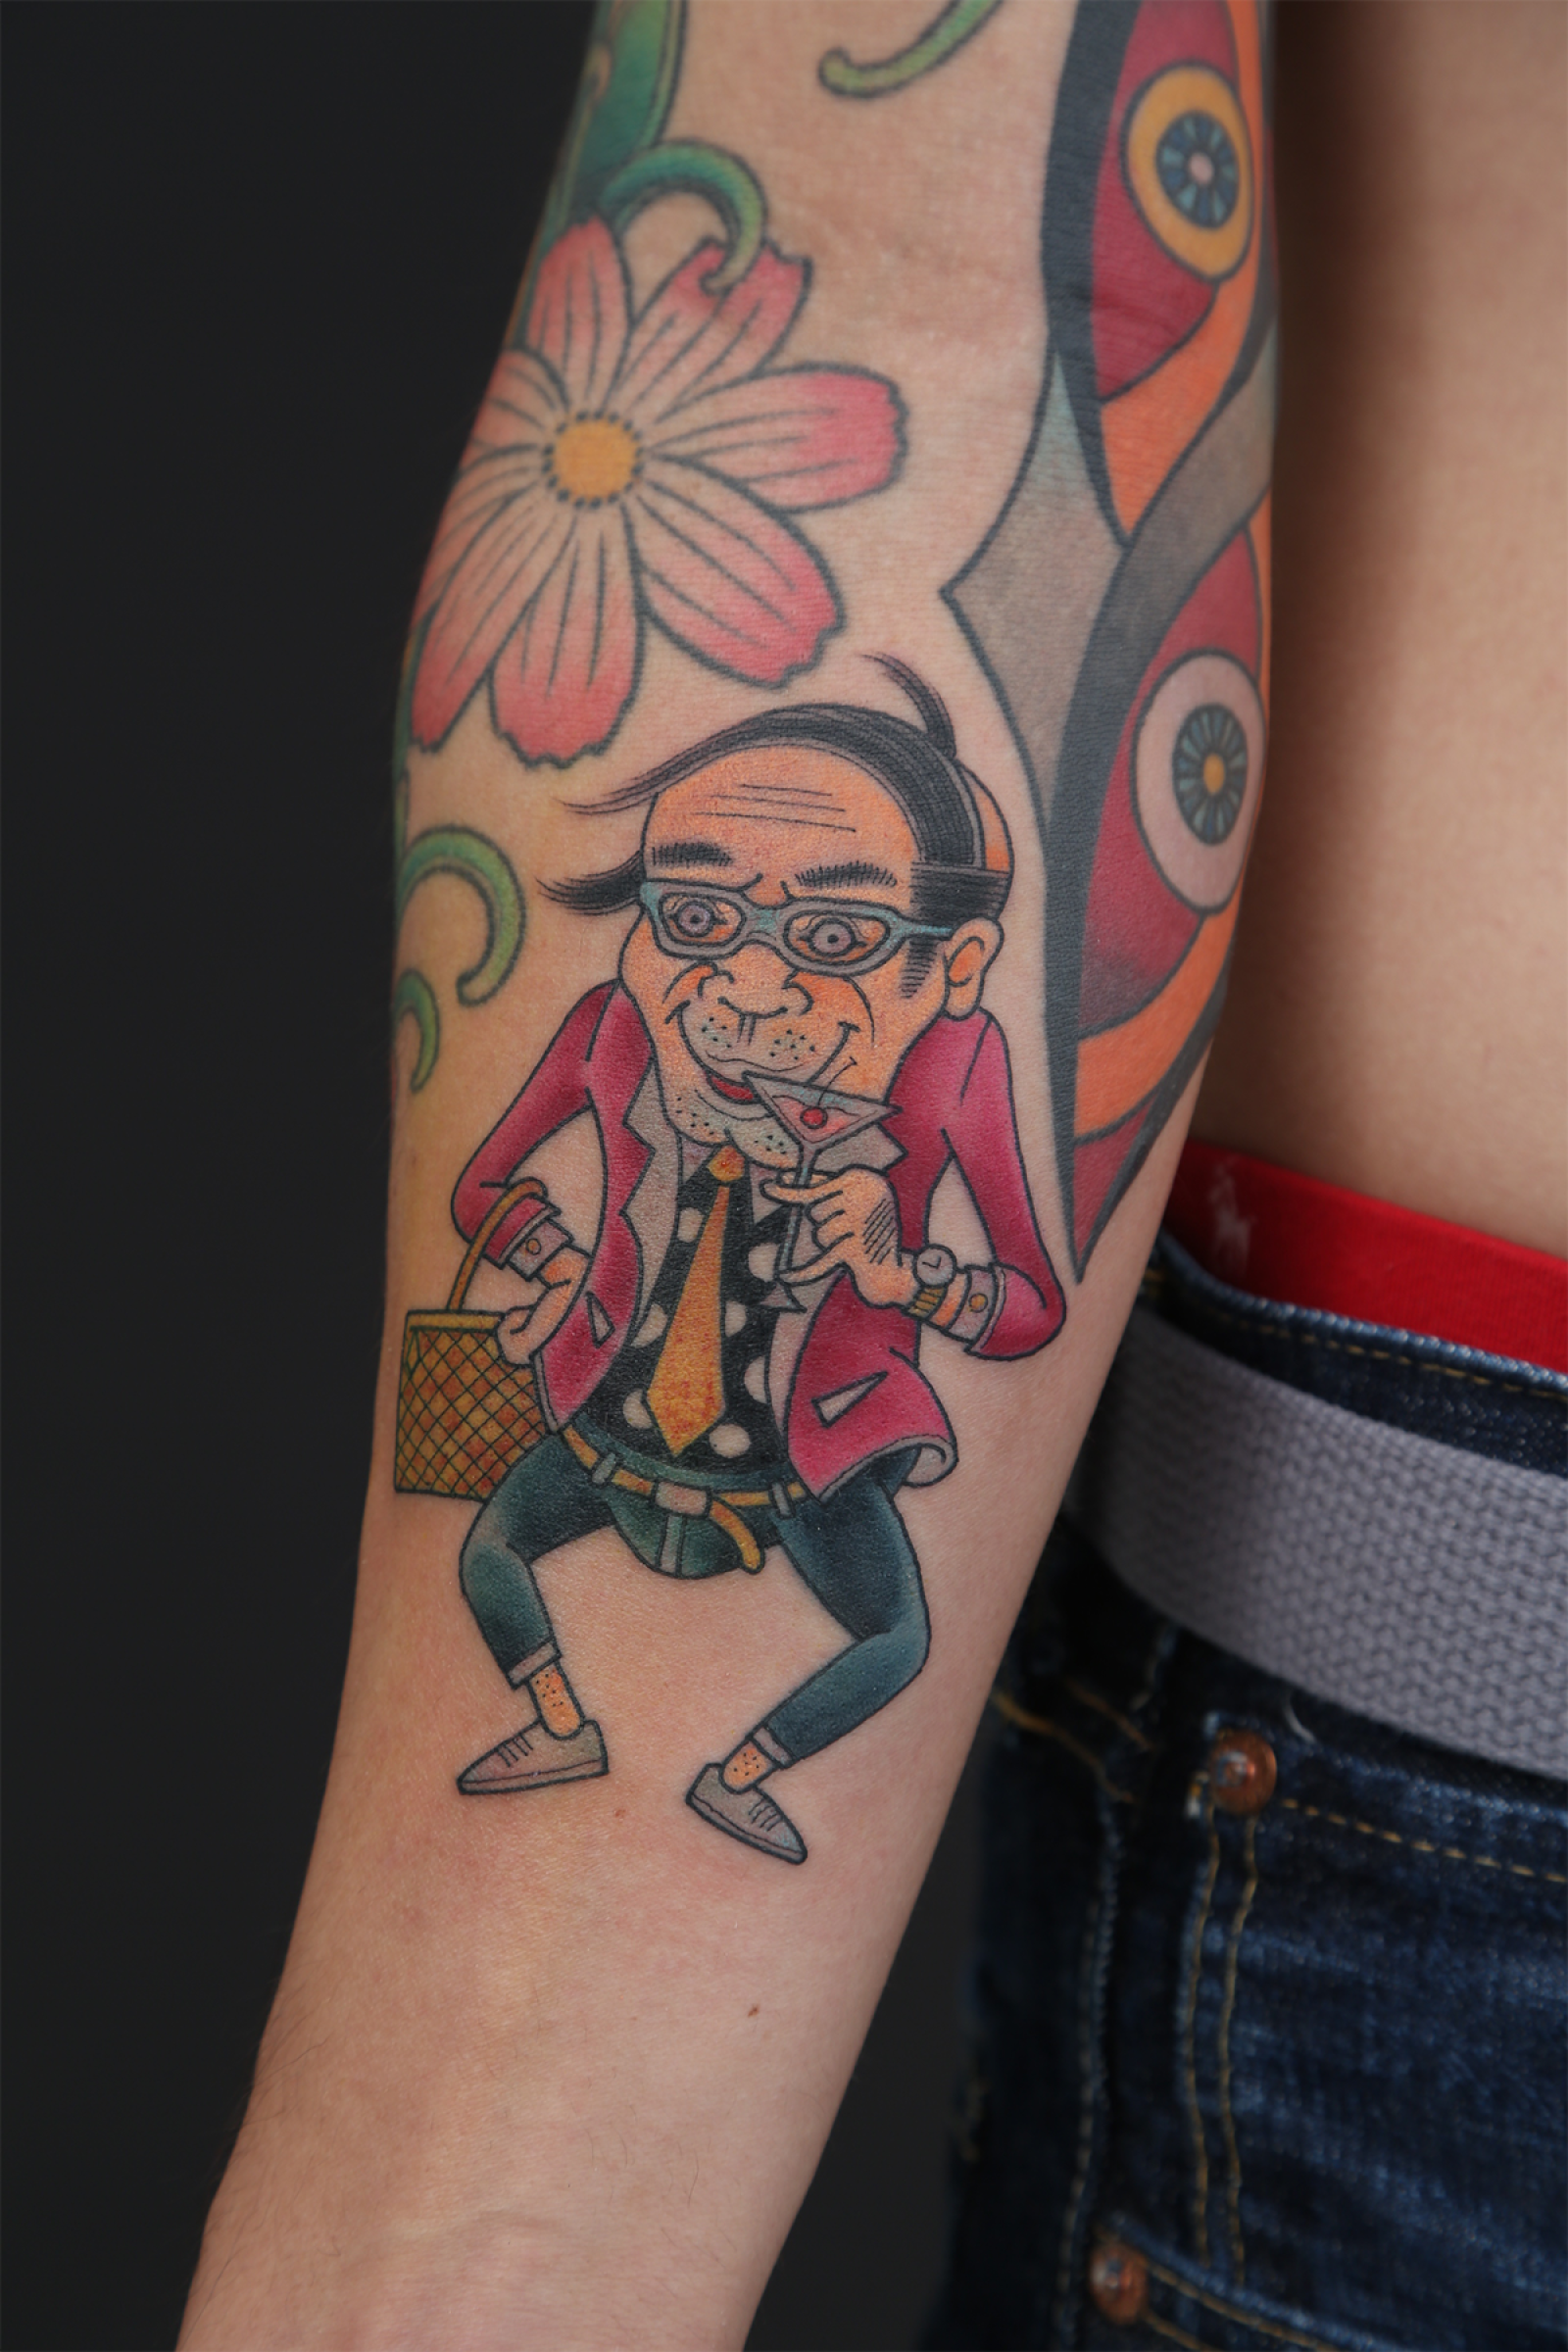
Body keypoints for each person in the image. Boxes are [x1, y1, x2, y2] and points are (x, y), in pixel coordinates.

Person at [180, 4, 1565, 2347]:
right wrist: (473, 2262)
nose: (752, 983)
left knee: (871, 1619)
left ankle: (729, 1743)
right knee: (540, 1549)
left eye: (826, 940)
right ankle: (595, 1715)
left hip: (830, 1455)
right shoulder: (631, 1050)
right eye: (705, 922)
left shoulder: (923, 1103)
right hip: (1446, 1805)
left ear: (921, 967)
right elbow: (894, 292)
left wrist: (897, 1264)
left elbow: (991, 1281)